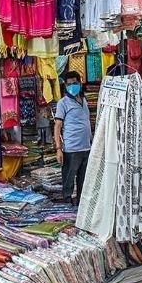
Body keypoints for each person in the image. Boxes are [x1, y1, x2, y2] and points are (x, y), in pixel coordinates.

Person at [54, 71, 92, 205]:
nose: (72, 86)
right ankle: (67, 202)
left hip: (86, 147)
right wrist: (58, 148)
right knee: (69, 178)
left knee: (83, 179)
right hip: (71, 148)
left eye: (74, 83)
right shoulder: (63, 103)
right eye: (69, 84)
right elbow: (57, 126)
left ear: (80, 83)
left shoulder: (84, 100)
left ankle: (81, 204)